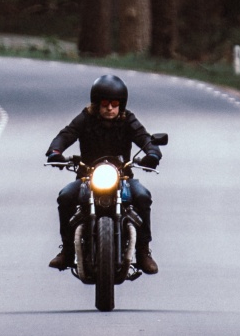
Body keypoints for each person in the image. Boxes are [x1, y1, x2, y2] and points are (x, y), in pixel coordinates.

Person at [47, 73, 161, 274]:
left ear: (121, 105)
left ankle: (143, 252)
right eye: (105, 103)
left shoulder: (128, 120)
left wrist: (152, 152)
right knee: (65, 197)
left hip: (123, 177)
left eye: (114, 103)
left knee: (143, 196)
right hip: (87, 178)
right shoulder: (85, 119)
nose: (110, 108)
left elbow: (144, 138)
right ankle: (67, 250)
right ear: (97, 103)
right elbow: (66, 134)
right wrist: (55, 151)